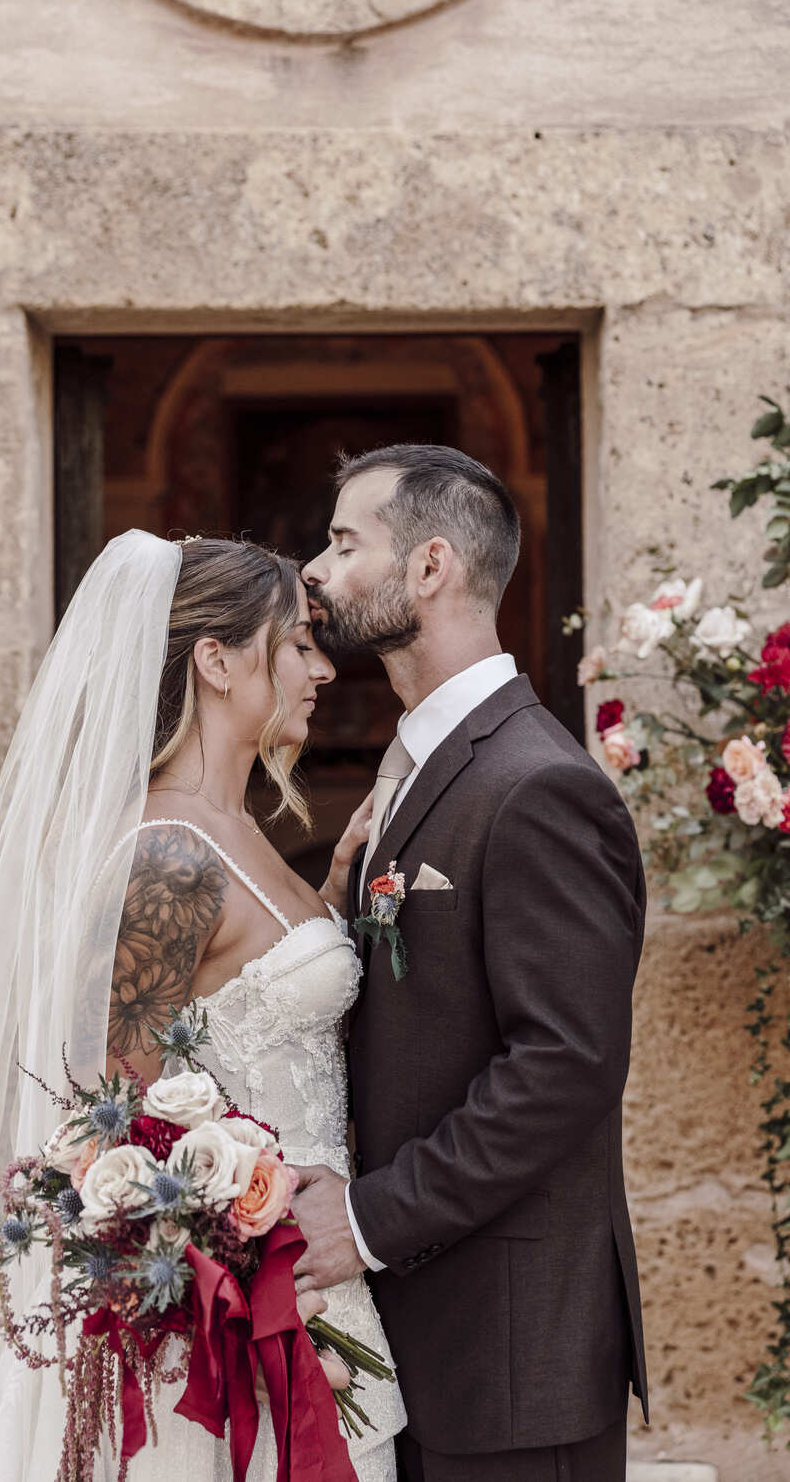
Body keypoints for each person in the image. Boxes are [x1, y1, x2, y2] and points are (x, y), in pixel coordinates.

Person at [0, 531, 405, 1482]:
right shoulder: (167, 853)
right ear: (216, 660)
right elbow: (118, 1116)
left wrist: (332, 895)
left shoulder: (235, 828)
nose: (322, 669)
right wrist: (235, 1268)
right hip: (217, 1323)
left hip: (313, 1282)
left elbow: (246, 1002)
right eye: (298, 643)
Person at [293, 444, 648, 1482]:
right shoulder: (427, 768)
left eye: (344, 543)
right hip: (428, 1337)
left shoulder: (538, 784)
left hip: (511, 1354)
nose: (315, 571)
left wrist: (365, 1220)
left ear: (430, 566)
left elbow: (564, 1066)